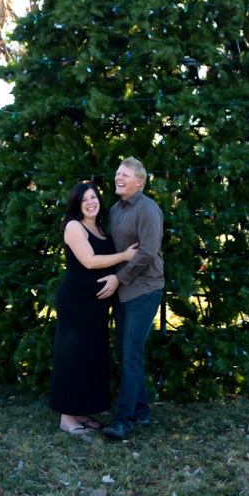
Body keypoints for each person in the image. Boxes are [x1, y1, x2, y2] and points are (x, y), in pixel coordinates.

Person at [49, 181, 139, 436]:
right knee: (73, 356)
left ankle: (80, 411)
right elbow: (89, 261)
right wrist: (124, 257)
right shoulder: (74, 227)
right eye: (85, 199)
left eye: (94, 197)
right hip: (77, 302)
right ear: (77, 204)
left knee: (90, 357)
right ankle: (67, 418)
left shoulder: (98, 226)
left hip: (97, 304)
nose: (91, 202)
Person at [98, 157, 164, 441]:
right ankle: (141, 409)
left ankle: (122, 420)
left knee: (131, 354)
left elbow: (148, 252)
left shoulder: (148, 209)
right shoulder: (114, 209)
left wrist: (119, 278)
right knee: (128, 353)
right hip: (123, 290)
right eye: (117, 173)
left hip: (144, 289)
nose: (118, 177)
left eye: (125, 174)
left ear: (140, 181)